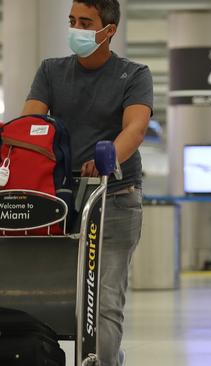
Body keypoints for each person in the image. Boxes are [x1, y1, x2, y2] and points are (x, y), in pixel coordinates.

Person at [22, 1, 153, 365]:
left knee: (104, 298)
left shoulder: (134, 74)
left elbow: (136, 127)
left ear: (108, 31)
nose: (75, 29)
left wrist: (108, 157)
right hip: (61, 201)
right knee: (49, 296)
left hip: (115, 198)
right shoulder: (51, 71)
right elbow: (30, 126)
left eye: (85, 22)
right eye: (71, 21)